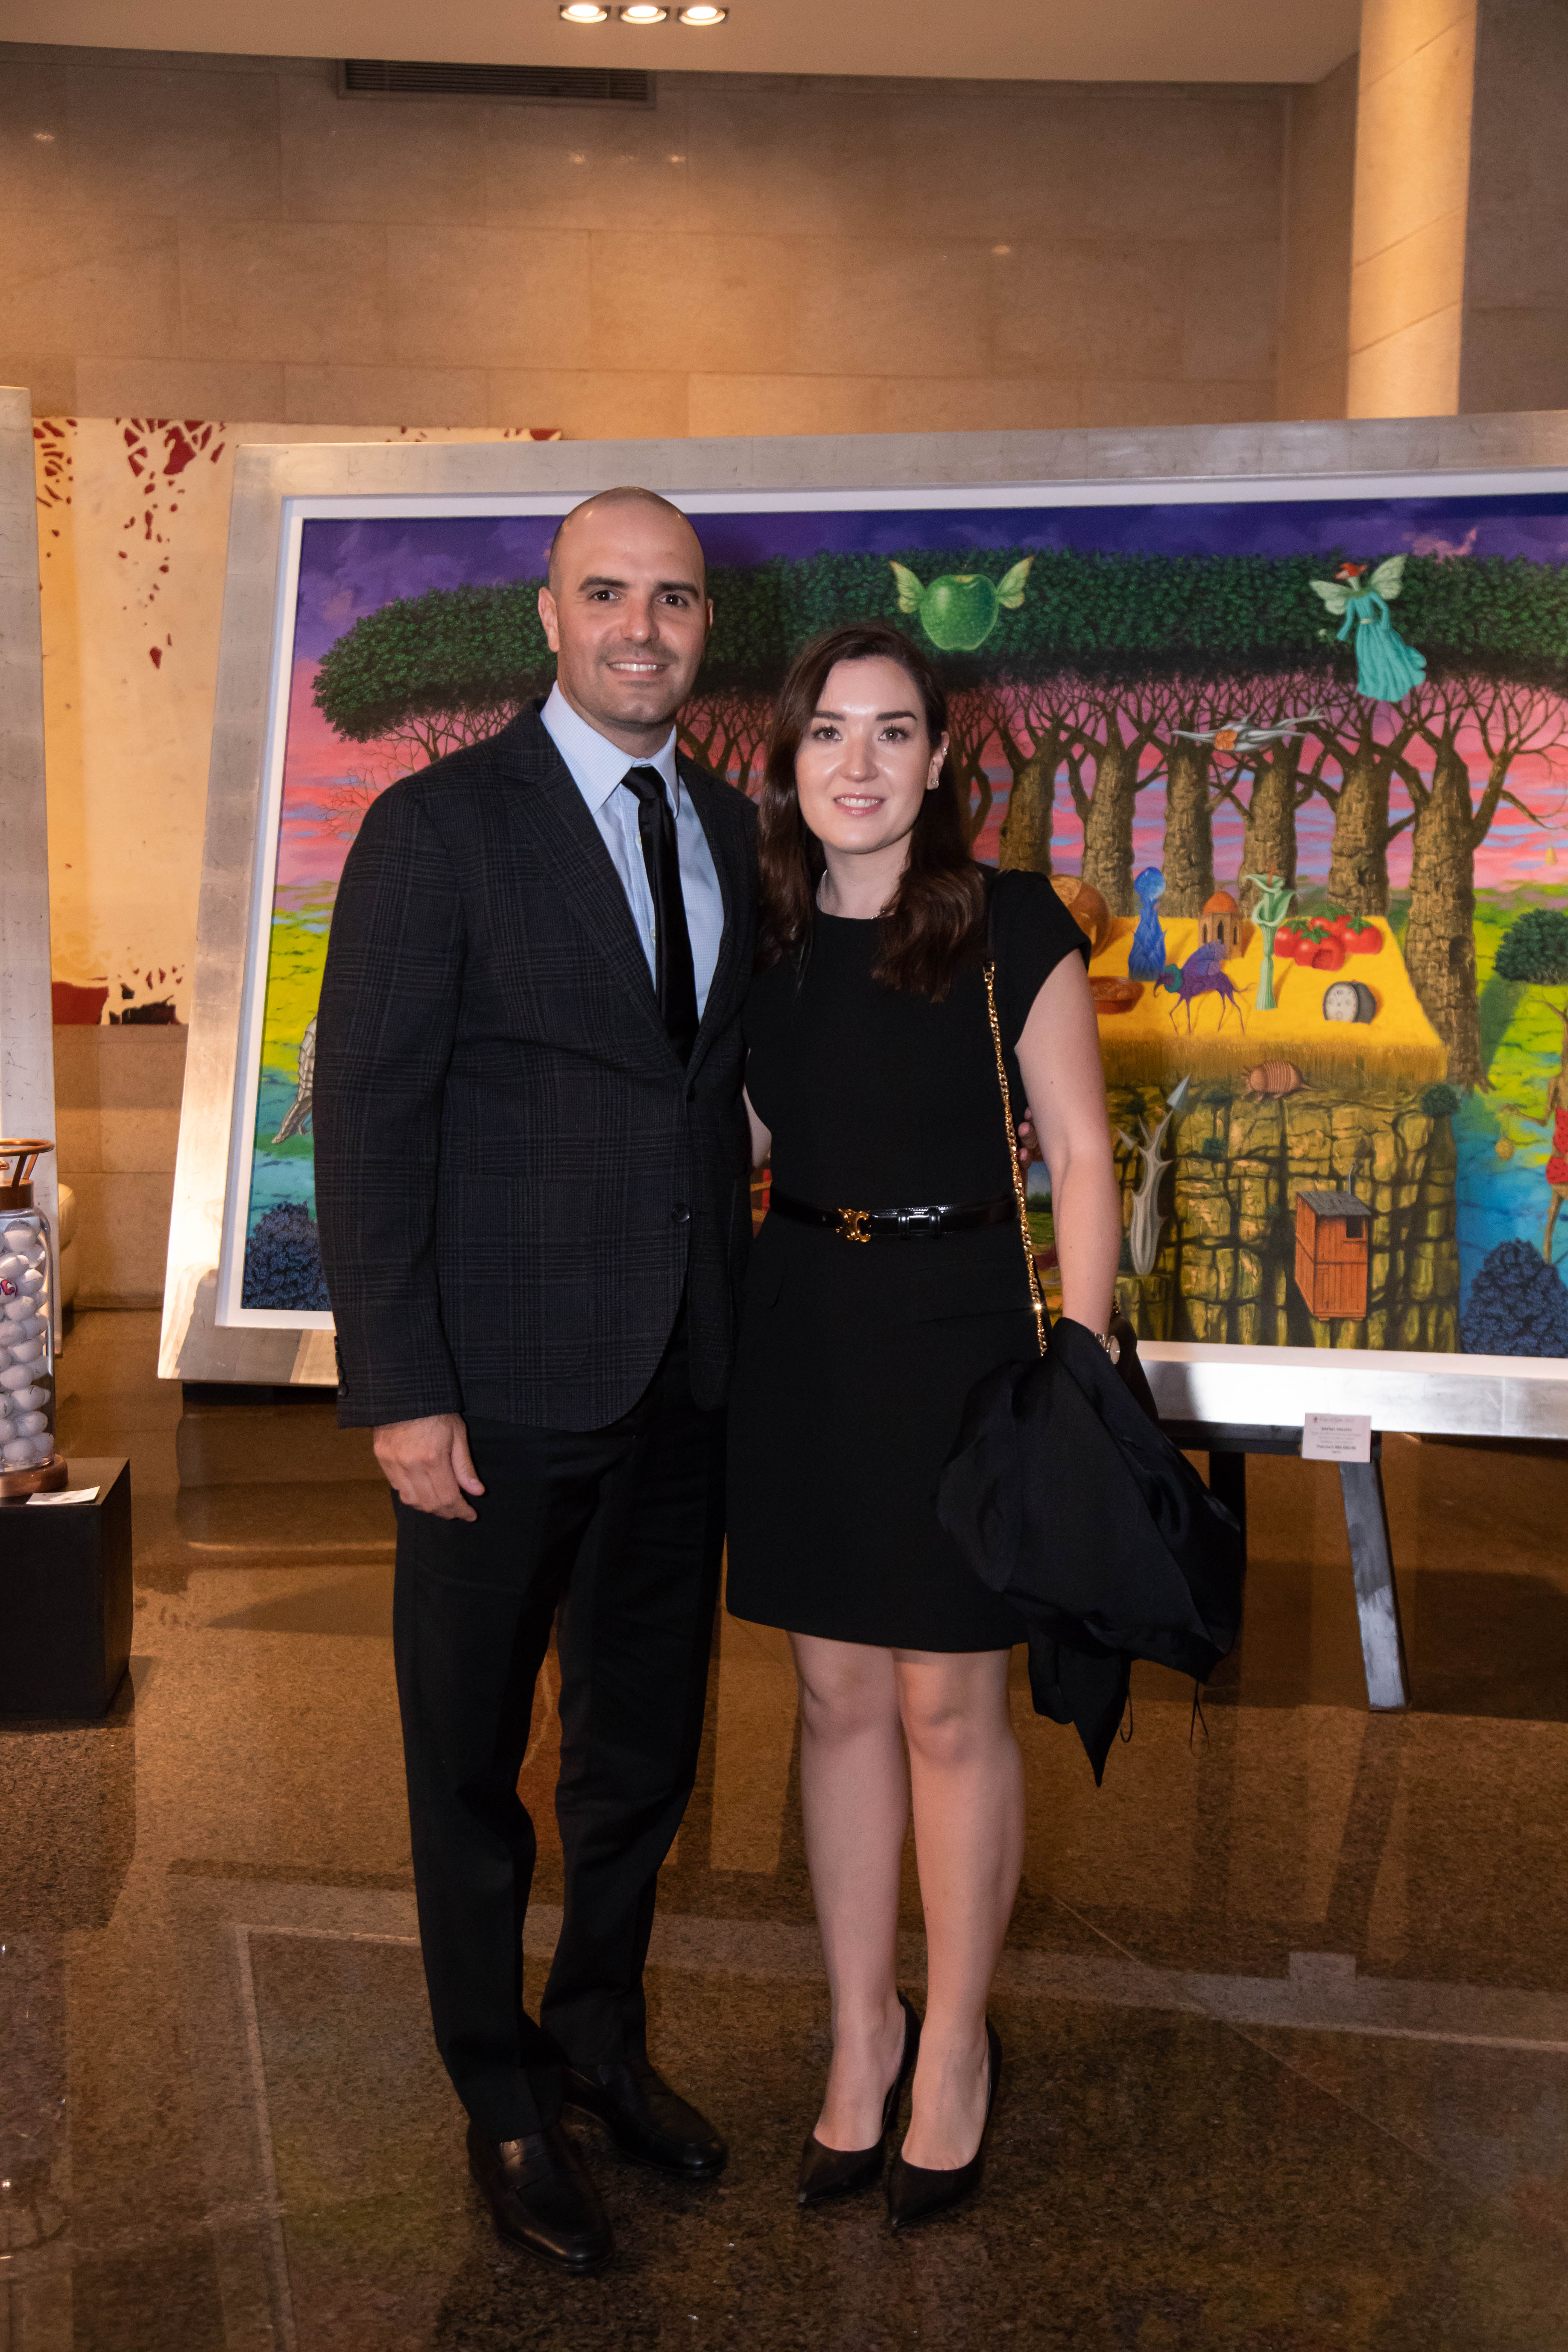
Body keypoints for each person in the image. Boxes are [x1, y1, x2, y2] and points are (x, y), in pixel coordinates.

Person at [312, 487, 757, 2277]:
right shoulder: (435, 828)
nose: (642, 627)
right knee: (469, 1760)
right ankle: (498, 2094)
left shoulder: (726, 823)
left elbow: (707, 1086)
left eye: (674, 598)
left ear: (704, 624)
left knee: (638, 1756)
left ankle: (597, 2045)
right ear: (548, 619)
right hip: (490, 1392)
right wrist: (399, 1387)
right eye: (607, 593)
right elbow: (365, 1117)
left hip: (684, 1378)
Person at [726, 620, 1123, 2232]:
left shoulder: (1009, 924)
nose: (859, 762)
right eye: (828, 731)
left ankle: (953, 2044)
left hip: (963, 1338)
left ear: (941, 756)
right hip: (802, 1330)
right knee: (833, 1699)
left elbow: (1079, 1157)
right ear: (787, 759)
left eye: (893, 731)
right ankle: (860, 2031)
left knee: (949, 1708)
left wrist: (1076, 1367)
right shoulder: (760, 936)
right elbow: (748, 1128)